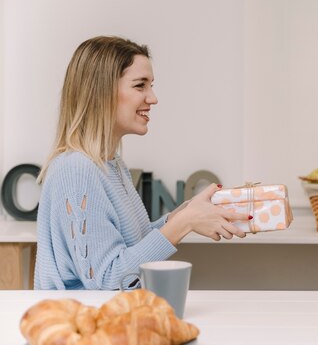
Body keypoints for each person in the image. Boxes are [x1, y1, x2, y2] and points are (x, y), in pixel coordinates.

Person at [35, 36, 251, 290]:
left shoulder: (110, 165)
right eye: (140, 86)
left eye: (151, 85)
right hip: (83, 326)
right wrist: (183, 224)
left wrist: (183, 214)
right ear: (100, 91)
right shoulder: (76, 169)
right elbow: (107, 281)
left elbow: (128, 248)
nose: (153, 98)